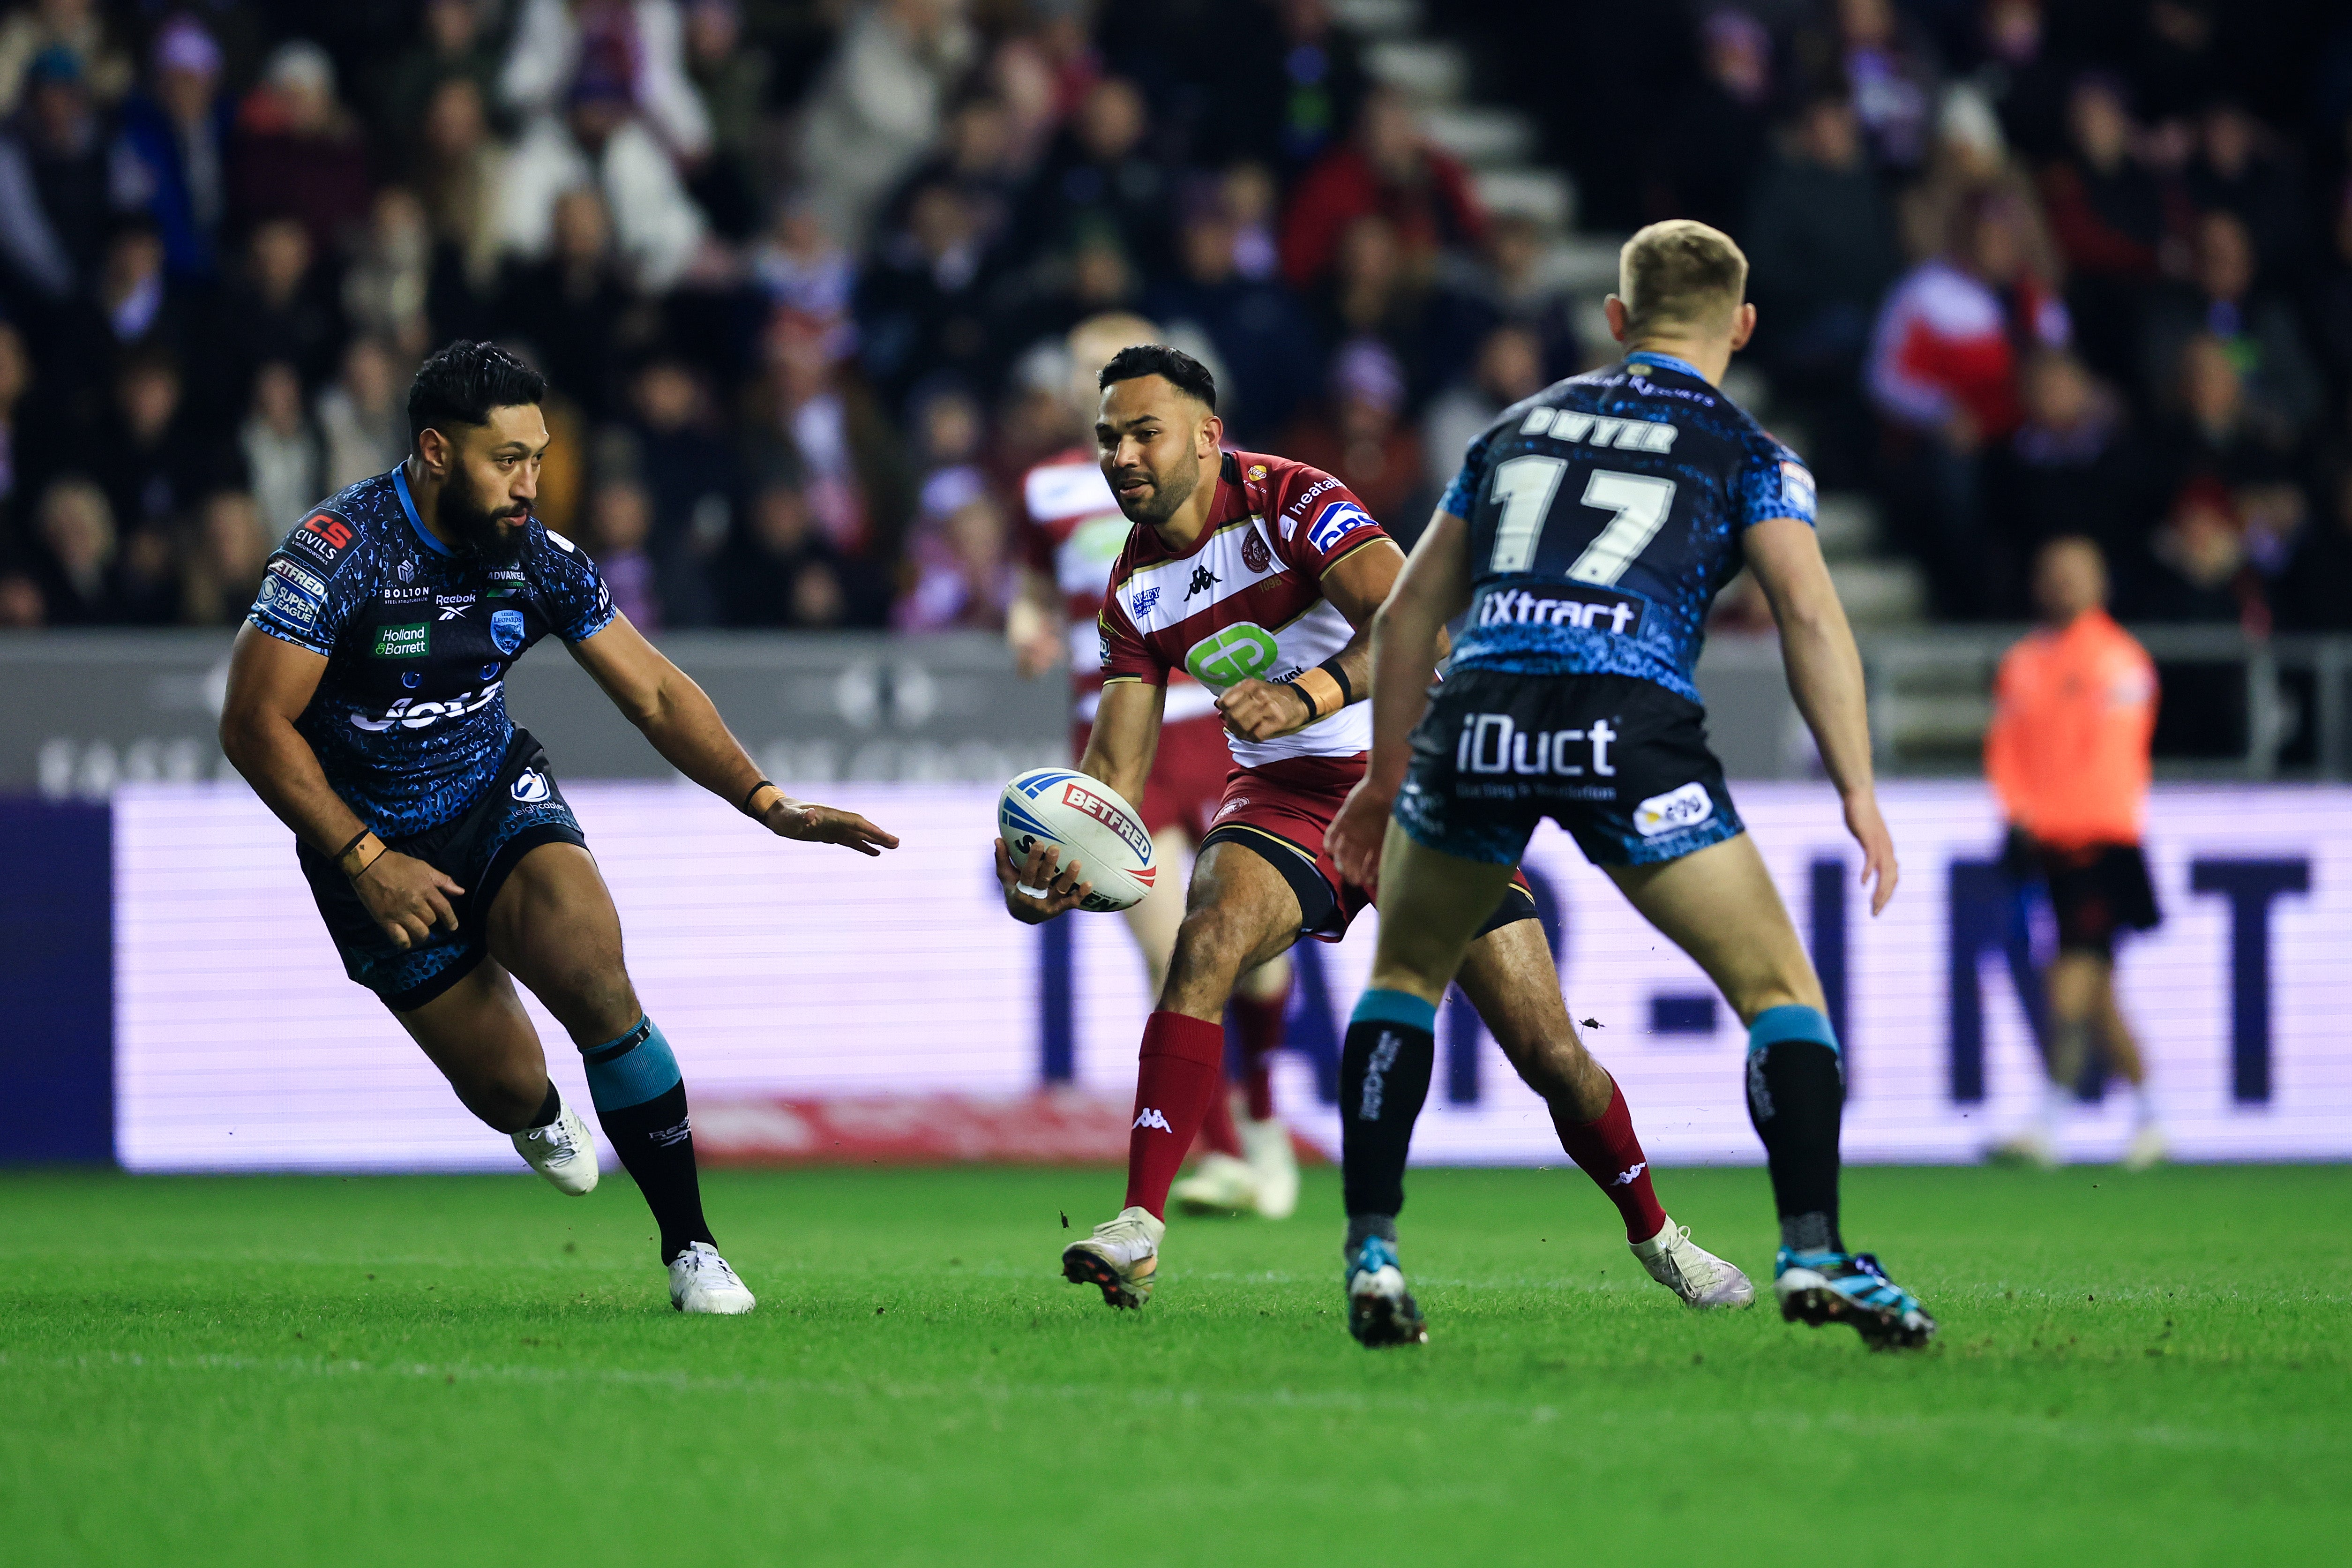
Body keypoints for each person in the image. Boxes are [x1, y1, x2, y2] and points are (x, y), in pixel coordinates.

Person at [999, 345, 1750, 1336]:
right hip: (1283, 798)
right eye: (1109, 438)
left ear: (1208, 436)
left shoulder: (1292, 501)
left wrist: (1304, 695)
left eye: (1146, 433)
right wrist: (1052, 866)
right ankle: (1139, 1221)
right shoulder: (1131, 589)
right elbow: (1113, 778)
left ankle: (1658, 1234)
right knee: (1205, 938)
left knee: (1548, 1050)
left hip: (1414, 781)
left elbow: (1416, 626)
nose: (1123, 456)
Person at [1325, 221, 1937, 1350]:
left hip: (1480, 718)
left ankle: (1373, 1252)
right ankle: (1812, 1248)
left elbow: (1407, 616)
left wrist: (1381, 777)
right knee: (1779, 991)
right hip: (1627, 722)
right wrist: (1856, 788)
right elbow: (1807, 614)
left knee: (1405, 976)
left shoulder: (1513, 428)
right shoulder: (1748, 449)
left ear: (1615, 319)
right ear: (1740, 327)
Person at [217, 341, 899, 1314]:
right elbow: (252, 723)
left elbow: (655, 692)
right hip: (364, 844)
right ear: (436, 451)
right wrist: (365, 859)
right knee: (505, 1082)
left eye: (537, 458)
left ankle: (693, 1248)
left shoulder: (534, 554)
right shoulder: (339, 550)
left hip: (493, 799)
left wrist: (765, 801)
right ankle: (535, 1112)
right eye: (508, 460)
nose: (530, 484)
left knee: (595, 976)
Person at [1007, 315, 1300, 1221]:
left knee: (1257, 959)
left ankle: (1262, 1114)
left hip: (1217, 728)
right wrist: (1027, 625)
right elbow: (1033, 585)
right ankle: (1220, 1155)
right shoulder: (1048, 489)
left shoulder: (1222, 478)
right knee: (1168, 948)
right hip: (1117, 735)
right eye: (1086, 370)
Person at [1984, 536, 2165, 1170]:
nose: (2062, 584)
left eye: (2074, 574)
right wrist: (2018, 814)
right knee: (2099, 992)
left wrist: (2045, 817)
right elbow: (2005, 748)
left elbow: (2110, 761)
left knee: (2069, 982)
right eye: (2052, 573)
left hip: (2100, 845)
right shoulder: (2022, 662)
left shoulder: (2119, 661)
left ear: (2099, 582)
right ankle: (2151, 1116)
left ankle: (2049, 1120)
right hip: (2050, 848)